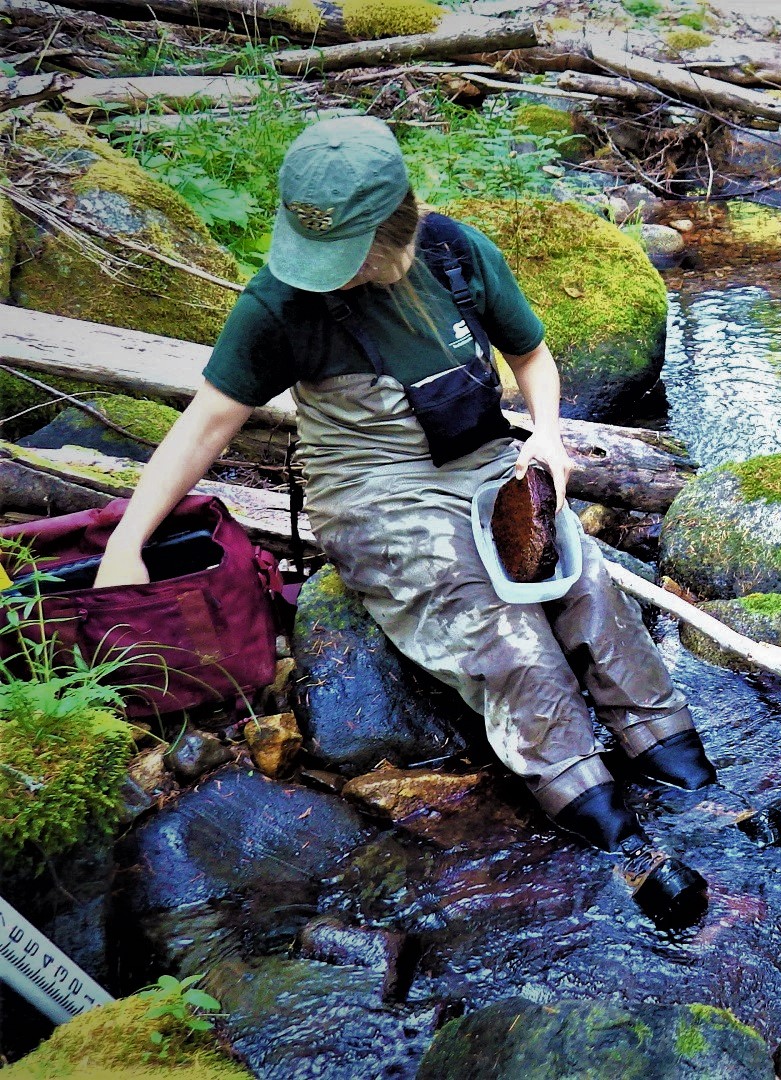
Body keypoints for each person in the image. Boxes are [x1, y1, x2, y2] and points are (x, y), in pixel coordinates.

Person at [96, 115, 718, 855]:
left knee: (589, 588)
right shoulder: (278, 305)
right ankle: (605, 821)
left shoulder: (456, 253)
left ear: (398, 226)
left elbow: (533, 358)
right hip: (374, 494)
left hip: (487, 465)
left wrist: (546, 435)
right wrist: (127, 541)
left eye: (347, 256)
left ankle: (683, 769)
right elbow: (204, 426)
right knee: (501, 627)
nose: (331, 272)